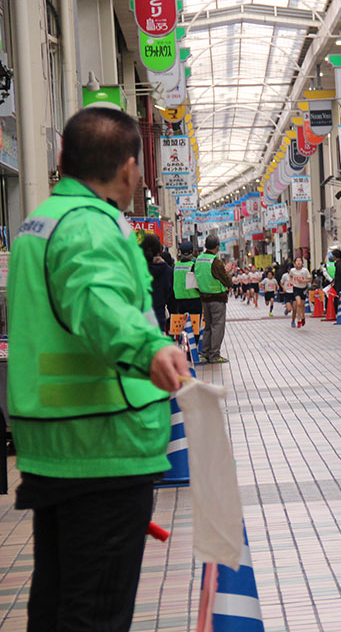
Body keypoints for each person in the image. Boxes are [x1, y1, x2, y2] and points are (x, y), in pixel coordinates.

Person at [7, 107, 189, 631]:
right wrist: (150, 348)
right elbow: (97, 301)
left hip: (59, 442)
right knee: (94, 615)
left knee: (61, 603)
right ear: (129, 167)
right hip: (102, 445)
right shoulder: (89, 227)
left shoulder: (43, 221)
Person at [195, 234, 233, 364]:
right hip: (217, 298)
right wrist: (228, 273)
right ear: (217, 247)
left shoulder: (198, 259)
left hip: (204, 298)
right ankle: (214, 355)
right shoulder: (215, 262)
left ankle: (205, 353)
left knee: (207, 327)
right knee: (217, 326)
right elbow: (226, 280)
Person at [140, 233, 173, 334]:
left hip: (138, 320)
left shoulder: (136, 269)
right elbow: (170, 296)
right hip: (158, 320)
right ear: (159, 251)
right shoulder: (167, 270)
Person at [172, 241, 202, 342]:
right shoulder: (194, 265)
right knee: (194, 326)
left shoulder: (175, 266)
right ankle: (193, 347)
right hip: (193, 299)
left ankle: (182, 344)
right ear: (192, 252)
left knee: (181, 325)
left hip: (179, 300)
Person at [289, 257, 312, 328]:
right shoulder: (292, 270)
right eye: (297, 261)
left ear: (302, 263)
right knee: (298, 303)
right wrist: (291, 282)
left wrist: (303, 281)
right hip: (296, 288)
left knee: (302, 305)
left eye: (300, 261)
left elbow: (310, 279)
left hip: (303, 289)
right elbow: (290, 276)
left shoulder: (305, 271)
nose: (298, 262)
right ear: (294, 263)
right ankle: (298, 320)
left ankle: (303, 317)